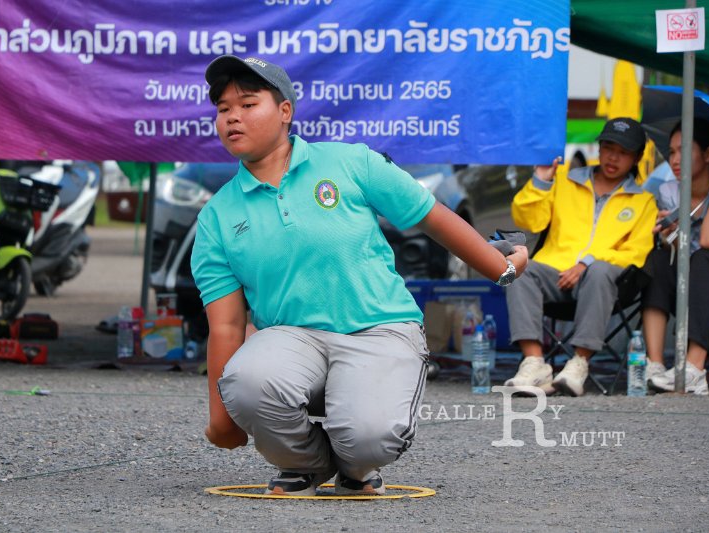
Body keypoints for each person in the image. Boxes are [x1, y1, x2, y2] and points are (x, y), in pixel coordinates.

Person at [191, 55, 529, 496]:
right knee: (247, 383)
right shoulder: (217, 215)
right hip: (291, 338)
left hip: (380, 330)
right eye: (222, 108)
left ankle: (356, 464)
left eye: (248, 103)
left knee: (369, 437)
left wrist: (501, 267)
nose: (232, 116)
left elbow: (432, 216)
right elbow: (228, 326)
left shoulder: (351, 163)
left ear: (285, 112)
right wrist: (222, 422)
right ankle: (305, 463)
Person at [504, 117, 658, 397]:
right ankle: (534, 362)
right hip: (556, 273)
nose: (613, 157)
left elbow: (636, 252)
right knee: (518, 268)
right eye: (608, 147)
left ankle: (579, 363)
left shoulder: (643, 201)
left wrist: (587, 262)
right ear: (598, 148)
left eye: (623, 152)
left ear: (636, 158)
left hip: (606, 283)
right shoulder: (565, 181)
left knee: (598, 271)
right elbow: (529, 220)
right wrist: (540, 180)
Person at [644, 118, 709, 395]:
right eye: (672, 151)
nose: (675, 160)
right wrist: (671, 237)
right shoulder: (668, 192)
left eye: (683, 151)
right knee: (657, 262)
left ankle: (694, 367)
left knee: (705, 258)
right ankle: (654, 365)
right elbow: (677, 255)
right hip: (688, 287)